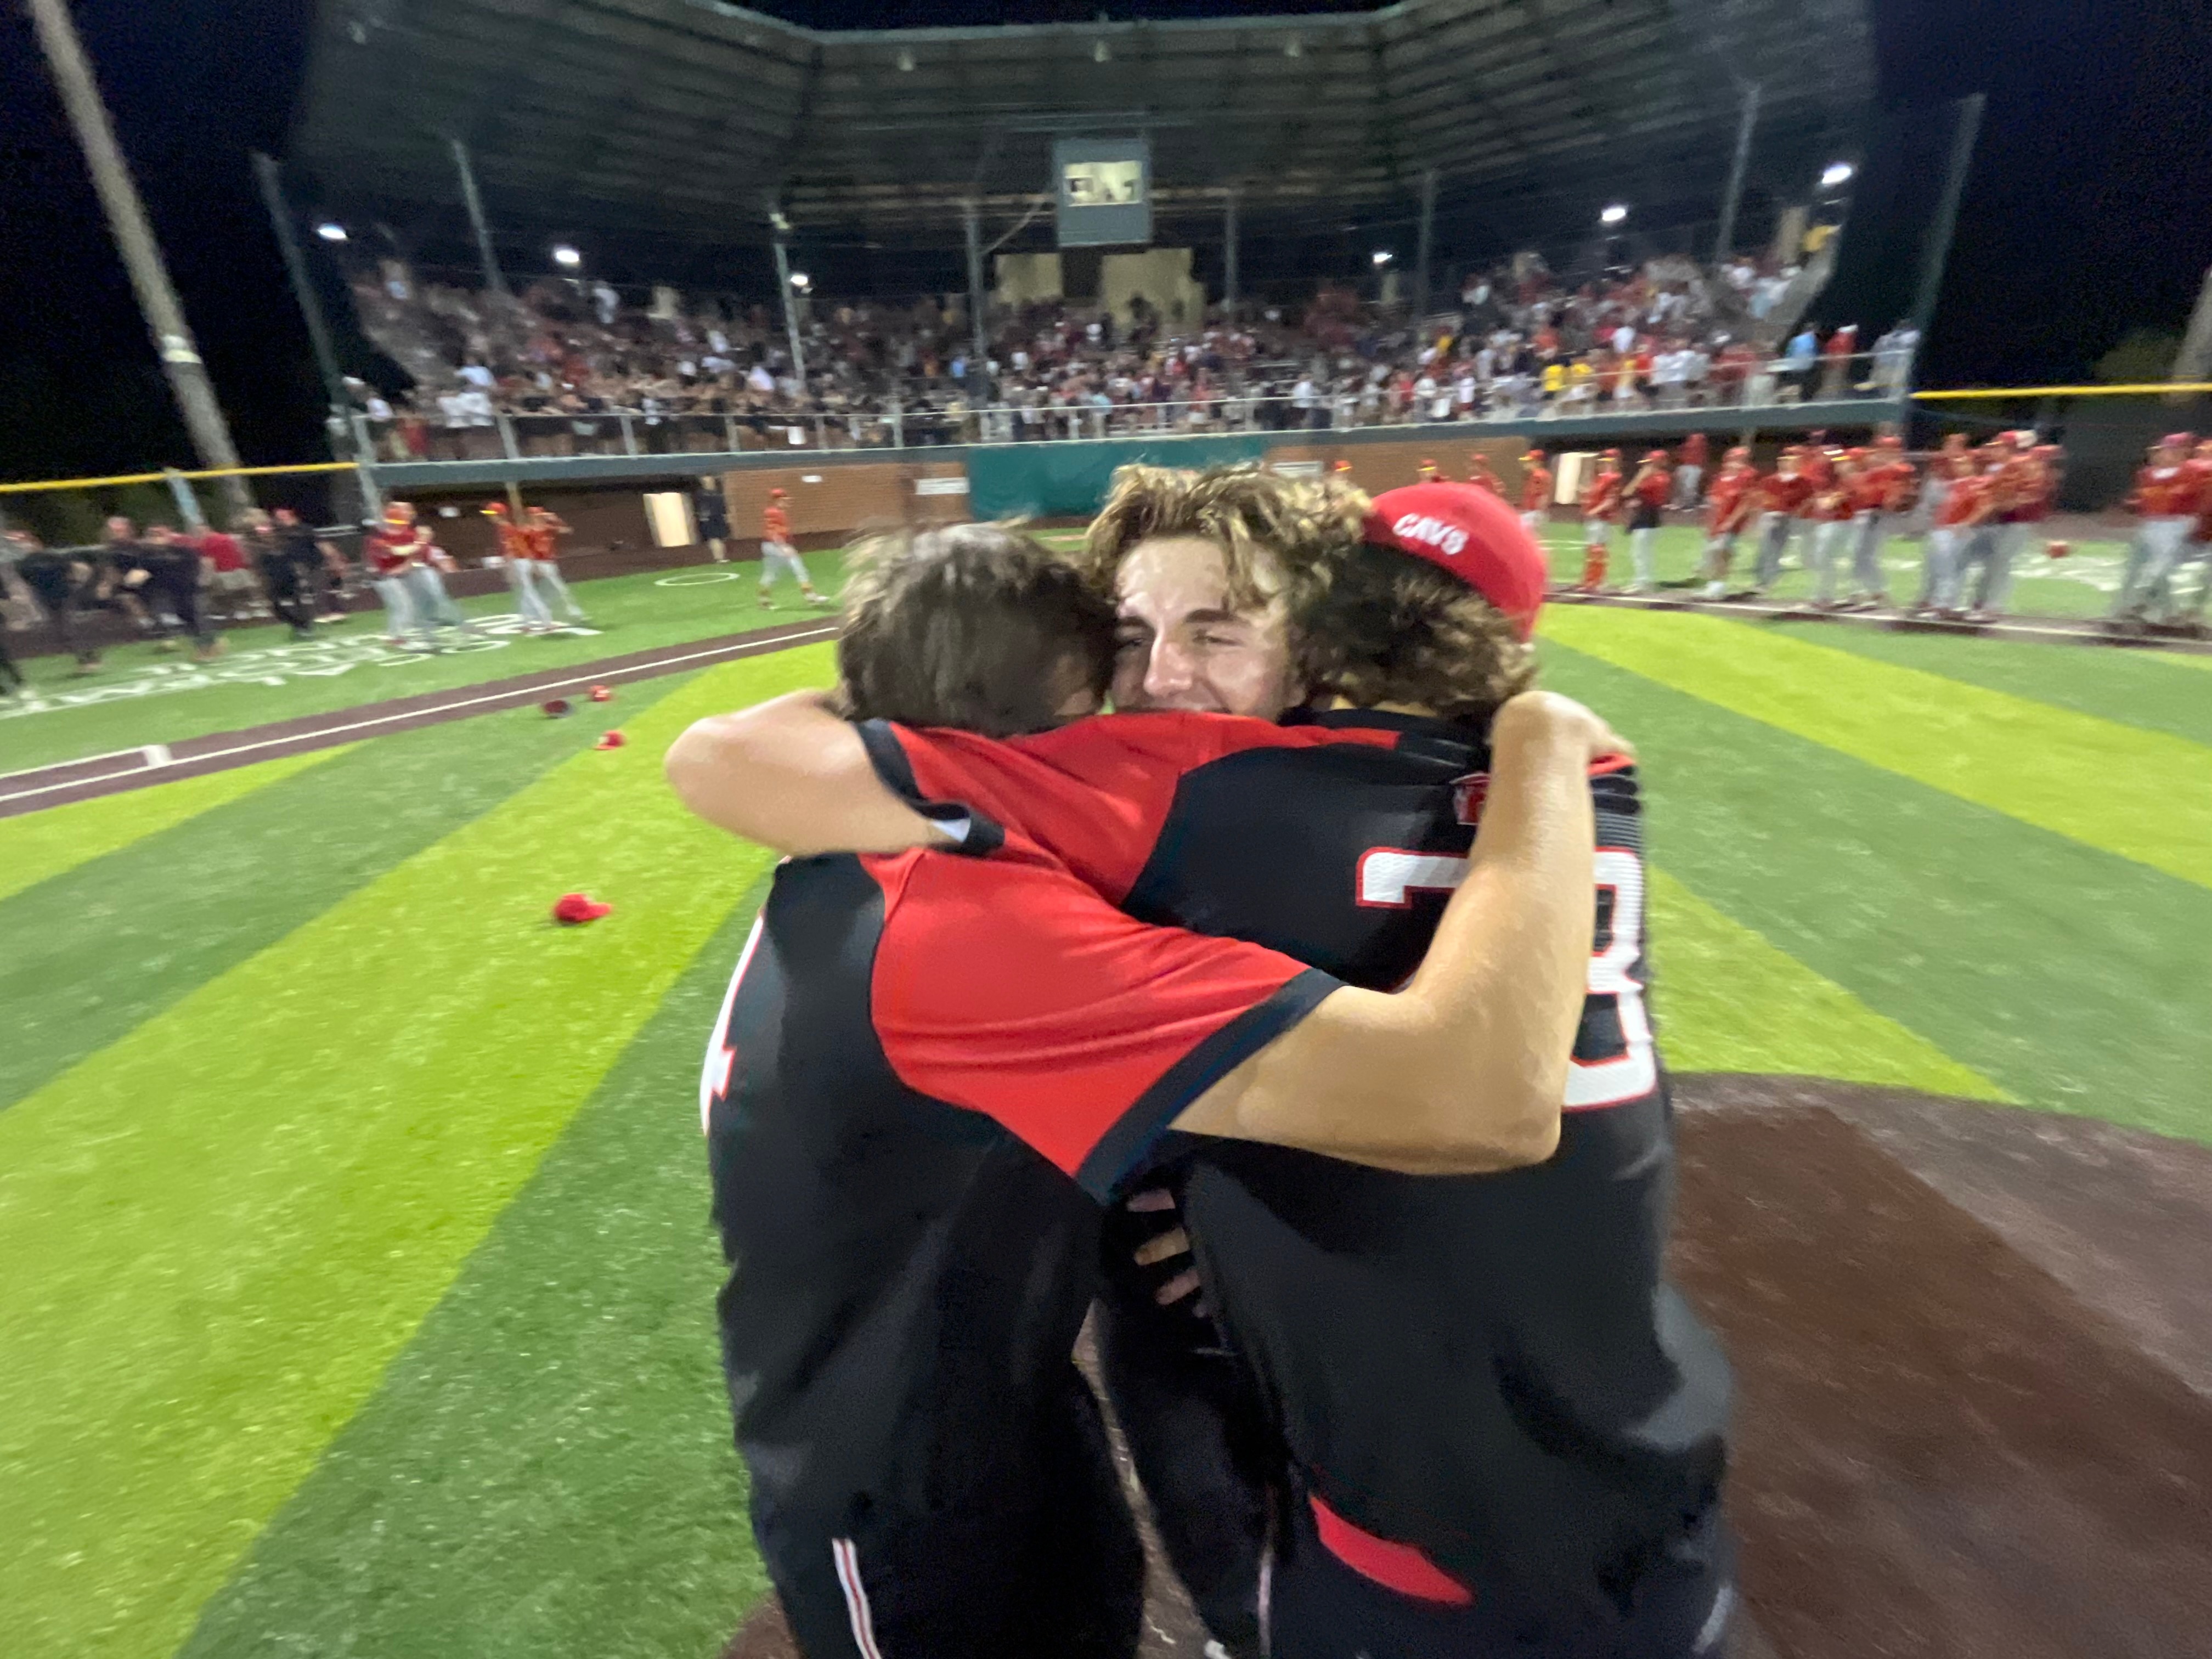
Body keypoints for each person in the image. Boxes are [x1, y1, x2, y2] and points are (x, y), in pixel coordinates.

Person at [678, 480, 1736, 1659]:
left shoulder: (1118, 820)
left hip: (1023, 1392)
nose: (1166, 683)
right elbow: (1469, 1089)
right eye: (1130, 644)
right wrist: (1543, 741)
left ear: (1319, 651)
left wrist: (1192, 1184)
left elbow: (722, 753)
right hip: (907, 1462)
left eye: (1218, 631)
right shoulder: (1013, 885)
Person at [2109, 433, 2202, 625]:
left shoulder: (2193, 471)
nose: (2162, 454)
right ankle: (2168, 613)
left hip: (2177, 524)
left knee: (2161, 567)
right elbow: (2146, 501)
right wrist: (2130, 506)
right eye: (2163, 450)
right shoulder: (2148, 474)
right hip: (2151, 524)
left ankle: (2141, 603)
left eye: (2169, 450)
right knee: (2146, 567)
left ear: (2183, 452)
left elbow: (2200, 498)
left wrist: (2196, 519)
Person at [8, 530, 101, 673]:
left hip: (64, 595)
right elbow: (26, 583)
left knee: (69, 628)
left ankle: (89, 660)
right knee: (60, 632)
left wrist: (78, 584)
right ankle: (85, 658)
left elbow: (75, 569)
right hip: (45, 599)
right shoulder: (23, 564)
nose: (23, 547)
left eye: (24, 543)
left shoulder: (51, 557)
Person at [1843, 435, 1914, 608]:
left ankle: (1877, 593)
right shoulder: (1873, 471)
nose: (1885, 453)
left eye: (1890, 450)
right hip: (1866, 515)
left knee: (1866, 555)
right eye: (1883, 449)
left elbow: (1901, 478)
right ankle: (1863, 592)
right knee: (1858, 554)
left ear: (1896, 451)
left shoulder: (1900, 469)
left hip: (1879, 515)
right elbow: (1860, 491)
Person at [138, 523, 222, 661]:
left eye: (160, 535)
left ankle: (209, 646)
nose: (157, 539)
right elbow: (143, 573)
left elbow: (200, 564)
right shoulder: (147, 556)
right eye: (153, 536)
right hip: (168, 592)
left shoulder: (182, 550)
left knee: (197, 617)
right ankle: (205, 646)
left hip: (190, 589)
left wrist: (203, 581)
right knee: (186, 619)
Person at [1925, 453, 1994, 618]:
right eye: (1957, 463)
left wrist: (1966, 523)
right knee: (1943, 569)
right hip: (1943, 529)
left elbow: (1985, 507)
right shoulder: (1954, 484)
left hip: (1958, 530)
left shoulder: (1980, 483)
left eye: (1964, 463)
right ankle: (1948, 604)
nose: (1959, 467)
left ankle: (1944, 605)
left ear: (1973, 465)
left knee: (1951, 569)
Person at [239, 509, 317, 640]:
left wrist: (277, 547)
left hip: (284, 566)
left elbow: (288, 543)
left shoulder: (277, 528)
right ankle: (299, 625)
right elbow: (252, 553)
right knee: (276, 605)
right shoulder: (249, 535)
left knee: (297, 599)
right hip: (268, 569)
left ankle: (305, 625)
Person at [1747, 446, 1814, 596]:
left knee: (1774, 551)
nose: (1786, 464)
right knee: (1763, 551)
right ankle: (1761, 580)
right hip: (1769, 517)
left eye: (1790, 461)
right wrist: (1755, 522)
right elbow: (1760, 502)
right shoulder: (1769, 481)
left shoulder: (1803, 482)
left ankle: (1765, 582)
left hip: (1787, 519)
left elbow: (1809, 500)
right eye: (1783, 461)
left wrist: (1798, 514)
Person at [1698, 447, 1759, 600]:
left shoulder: (1747, 476)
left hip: (1732, 523)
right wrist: (1710, 523)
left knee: (1722, 552)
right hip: (1717, 521)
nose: (1734, 462)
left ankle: (1718, 587)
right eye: (1733, 459)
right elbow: (1714, 502)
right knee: (1712, 554)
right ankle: (1713, 585)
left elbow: (1746, 503)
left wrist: (1731, 522)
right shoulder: (1721, 478)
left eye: (1739, 459)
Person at [1803, 454, 1859, 607]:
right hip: (1834, 524)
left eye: (1844, 463)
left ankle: (1834, 595)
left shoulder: (1850, 481)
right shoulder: (1834, 482)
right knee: (1824, 560)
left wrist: (1822, 498)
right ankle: (1825, 595)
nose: (1840, 466)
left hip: (1845, 524)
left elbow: (1828, 504)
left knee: (1830, 559)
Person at [758, 487, 825, 608]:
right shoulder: (775, 512)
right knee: (798, 567)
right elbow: (772, 532)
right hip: (775, 545)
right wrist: (783, 547)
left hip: (769, 546)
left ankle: (764, 601)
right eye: (784, 499)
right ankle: (811, 598)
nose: (787, 502)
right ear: (777, 500)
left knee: (771, 574)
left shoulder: (774, 511)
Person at [193, 519, 259, 625]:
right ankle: (250, 611)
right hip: (239, 568)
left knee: (229, 592)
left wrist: (205, 579)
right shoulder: (228, 538)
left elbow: (208, 561)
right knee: (242, 591)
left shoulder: (205, 543)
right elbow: (241, 551)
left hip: (223, 570)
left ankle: (237, 612)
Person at [1624, 448, 1672, 594]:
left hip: (1649, 519)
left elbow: (1628, 492)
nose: (1648, 466)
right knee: (1639, 553)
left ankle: (1643, 582)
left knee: (1642, 553)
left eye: (1652, 463)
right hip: (1644, 518)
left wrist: (1641, 477)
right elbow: (1629, 494)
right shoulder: (1655, 477)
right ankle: (1642, 581)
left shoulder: (1660, 478)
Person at [1579, 448, 1624, 591]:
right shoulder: (1600, 477)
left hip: (1601, 519)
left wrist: (1594, 511)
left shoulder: (1614, 478)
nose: (1604, 462)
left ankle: (1596, 581)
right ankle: (1590, 580)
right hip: (1593, 519)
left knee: (1597, 550)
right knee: (1592, 550)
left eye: (1608, 460)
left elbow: (1610, 501)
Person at [1518, 448, 1554, 541]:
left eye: (1530, 461)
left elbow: (1543, 495)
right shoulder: (1537, 475)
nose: (1526, 464)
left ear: (1537, 462)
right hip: (1532, 512)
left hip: (1533, 512)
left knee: (1528, 539)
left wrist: (1539, 512)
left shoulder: (1538, 476)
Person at [694, 478, 732, 562]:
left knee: (720, 538)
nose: (711, 483)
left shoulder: (718, 494)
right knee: (714, 538)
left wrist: (727, 517)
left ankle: (721, 557)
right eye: (708, 482)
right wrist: (704, 518)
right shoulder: (701, 494)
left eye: (711, 482)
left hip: (719, 518)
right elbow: (701, 508)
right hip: (709, 519)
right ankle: (719, 558)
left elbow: (724, 508)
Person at [1673, 431, 1708, 507]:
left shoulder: (1702, 446)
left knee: (1689, 486)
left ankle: (1689, 503)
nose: (1695, 440)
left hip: (1694, 467)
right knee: (1682, 486)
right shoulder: (1686, 446)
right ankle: (1681, 502)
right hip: (1686, 466)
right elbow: (1679, 455)